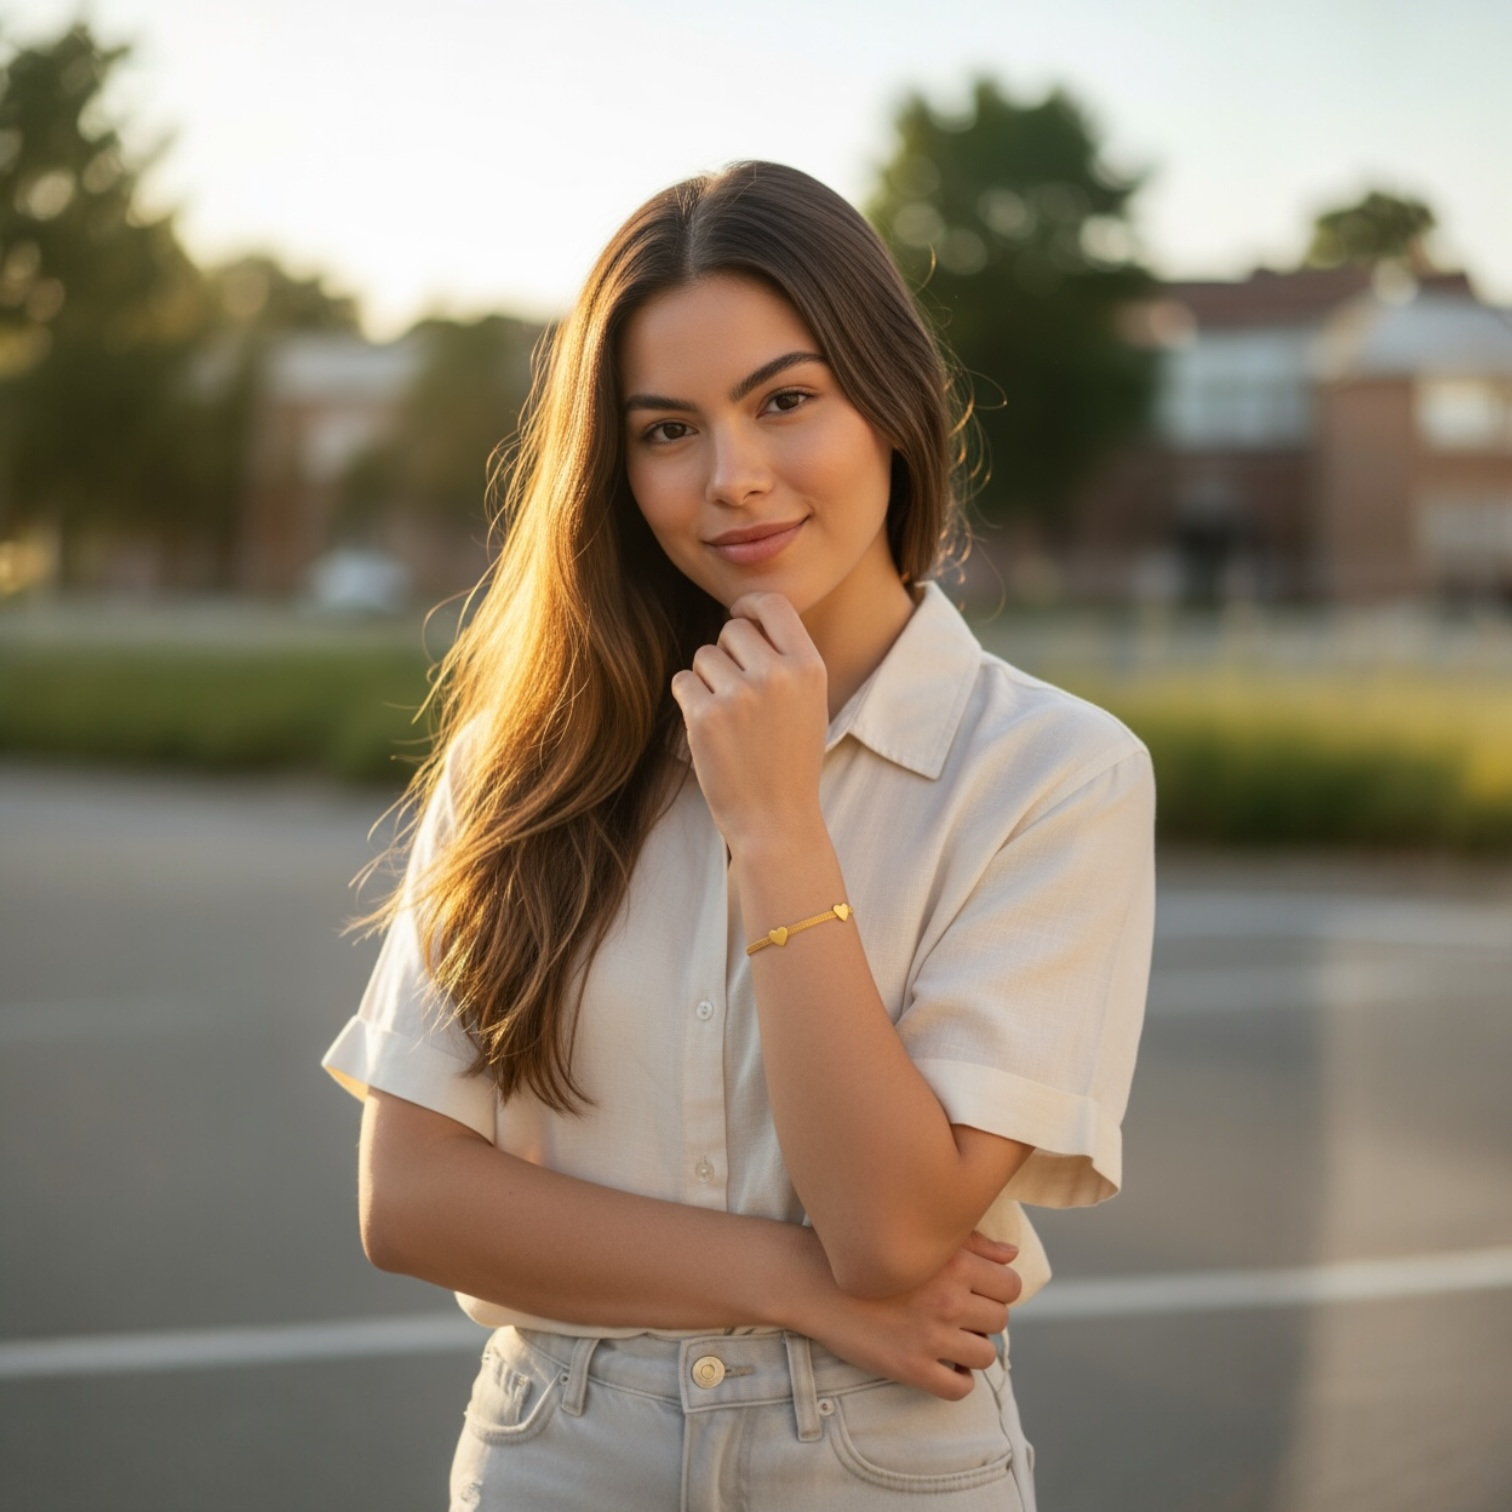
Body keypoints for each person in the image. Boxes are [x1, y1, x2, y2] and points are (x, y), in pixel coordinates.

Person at [322, 160, 1155, 1511]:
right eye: (666, 430)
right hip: (556, 1451)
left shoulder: (1056, 777)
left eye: (784, 402)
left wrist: (776, 825)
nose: (735, 479)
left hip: (884, 1462)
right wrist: (796, 1285)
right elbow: (411, 1204)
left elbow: (890, 1229)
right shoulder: (527, 765)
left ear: (890, 403)